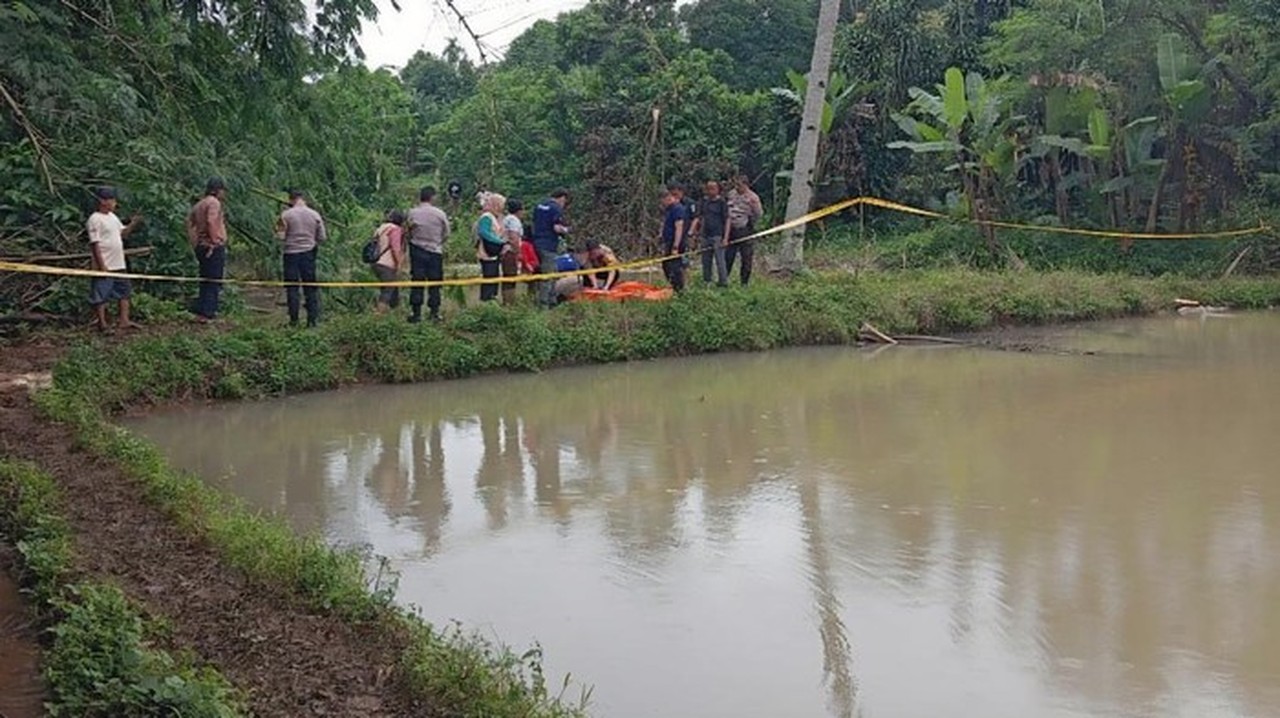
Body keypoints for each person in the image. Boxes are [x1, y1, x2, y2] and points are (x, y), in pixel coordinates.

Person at [86, 186, 143, 331]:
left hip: (119, 262)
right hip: (105, 263)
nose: (114, 203)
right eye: (111, 200)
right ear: (103, 201)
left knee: (124, 292)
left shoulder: (113, 217)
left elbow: (122, 233)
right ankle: (102, 323)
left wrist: (133, 224)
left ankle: (124, 320)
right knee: (101, 293)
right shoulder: (95, 219)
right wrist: (101, 265)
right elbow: (95, 244)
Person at [276, 189, 325, 327]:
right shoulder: (315, 215)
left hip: (290, 254)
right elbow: (322, 237)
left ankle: (294, 321)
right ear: (303, 199)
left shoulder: (285, 215)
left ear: (290, 200)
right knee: (310, 287)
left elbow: (280, 236)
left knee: (292, 288)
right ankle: (312, 321)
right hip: (308, 253)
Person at [186, 177, 228, 323]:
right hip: (212, 247)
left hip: (201, 246)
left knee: (205, 278)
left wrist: (195, 243)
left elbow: (189, 223)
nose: (224, 193)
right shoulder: (214, 203)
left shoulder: (199, 204)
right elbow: (211, 221)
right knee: (214, 280)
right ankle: (208, 313)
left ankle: (202, 309)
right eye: (223, 190)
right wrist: (215, 240)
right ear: (217, 190)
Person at [406, 185, 450, 322]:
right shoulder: (440, 214)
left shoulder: (412, 213)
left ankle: (416, 313)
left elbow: (408, 232)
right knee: (435, 282)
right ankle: (434, 313)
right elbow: (446, 233)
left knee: (417, 281)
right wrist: (437, 242)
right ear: (432, 197)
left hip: (417, 250)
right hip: (435, 251)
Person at [531, 189, 571, 308]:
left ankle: (551, 300)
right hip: (549, 245)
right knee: (548, 275)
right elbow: (556, 228)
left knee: (551, 271)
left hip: (536, 242)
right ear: (562, 198)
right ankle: (545, 304)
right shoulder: (555, 208)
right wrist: (567, 230)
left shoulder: (539, 206)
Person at [726, 174, 764, 285]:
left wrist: (751, 223)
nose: (737, 187)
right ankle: (724, 279)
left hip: (745, 228)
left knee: (746, 257)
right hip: (731, 229)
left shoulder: (753, 197)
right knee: (728, 256)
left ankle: (744, 282)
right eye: (735, 185)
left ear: (745, 185)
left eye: (739, 185)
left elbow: (758, 214)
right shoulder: (731, 194)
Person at [691, 180, 730, 287]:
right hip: (705, 235)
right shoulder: (703, 202)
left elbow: (727, 220)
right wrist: (695, 233)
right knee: (706, 260)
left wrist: (726, 237)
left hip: (718, 235)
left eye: (713, 188)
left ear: (718, 189)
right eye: (708, 188)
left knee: (720, 260)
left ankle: (723, 282)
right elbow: (699, 217)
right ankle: (707, 281)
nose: (710, 191)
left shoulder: (722, 203)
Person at [475, 192, 506, 302]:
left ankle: (492, 299)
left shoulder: (494, 217)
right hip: (487, 253)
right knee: (489, 279)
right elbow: (483, 232)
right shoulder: (486, 217)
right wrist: (499, 242)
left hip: (493, 254)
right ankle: (487, 301)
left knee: (493, 278)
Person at [372, 209, 405, 313]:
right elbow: (395, 248)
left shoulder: (381, 228)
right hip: (387, 264)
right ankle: (379, 314)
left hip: (377, 262)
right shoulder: (395, 230)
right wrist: (399, 263)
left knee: (392, 289)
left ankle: (394, 312)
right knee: (388, 290)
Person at [659, 189, 687, 292]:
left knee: (675, 267)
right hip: (668, 241)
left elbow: (679, 227)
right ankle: (674, 286)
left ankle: (679, 289)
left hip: (675, 242)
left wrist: (676, 246)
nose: (663, 204)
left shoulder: (677, 209)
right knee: (666, 265)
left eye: (663, 201)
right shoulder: (669, 209)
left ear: (668, 198)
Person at [501, 199, 525, 305]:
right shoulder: (514, 220)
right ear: (519, 210)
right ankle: (509, 302)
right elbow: (514, 238)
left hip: (505, 251)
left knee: (508, 278)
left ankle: (507, 301)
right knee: (510, 277)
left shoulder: (506, 219)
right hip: (510, 252)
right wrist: (518, 252)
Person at [668, 182, 696, 268]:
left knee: (685, 260)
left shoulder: (689, 203)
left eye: (676, 194)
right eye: (672, 194)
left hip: (686, 234)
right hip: (674, 235)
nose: (674, 196)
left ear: (681, 192)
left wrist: (691, 232)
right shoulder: (671, 204)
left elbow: (695, 218)